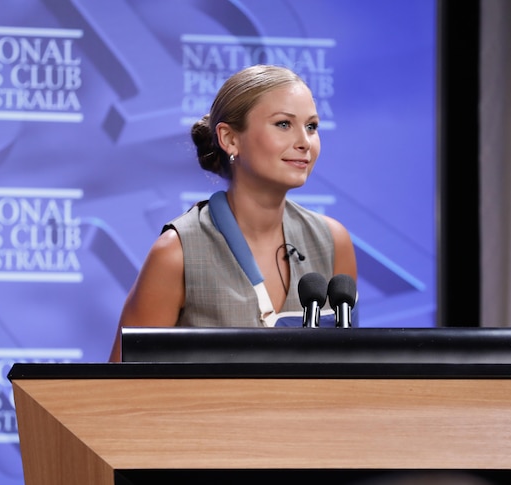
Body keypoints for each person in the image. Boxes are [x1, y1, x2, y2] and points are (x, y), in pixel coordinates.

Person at [108, 64, 358, 362]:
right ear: (229, 139)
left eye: (312, 126)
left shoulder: (332, 241)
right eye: (283, 124)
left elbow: (349, 373)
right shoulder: (176, 253)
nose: (304, 141)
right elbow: (119, 388)